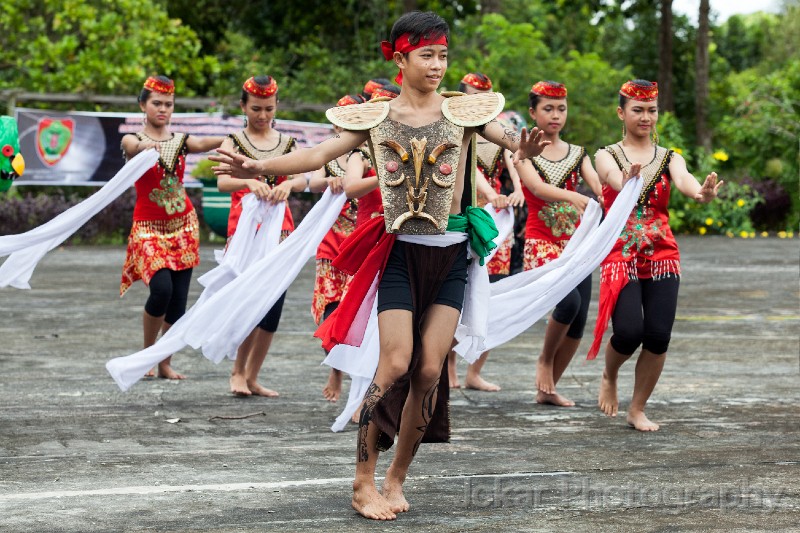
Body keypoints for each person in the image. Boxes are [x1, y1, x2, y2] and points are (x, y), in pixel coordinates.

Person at [210, 11, 548, 520]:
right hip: (400, 256)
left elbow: (512, 145)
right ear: (400, 57)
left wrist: (524, 150)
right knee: (394, 363)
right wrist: (258, 165)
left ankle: (396, 477)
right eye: (427, 55)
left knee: (430, 370)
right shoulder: (376, 116)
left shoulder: (466, 112)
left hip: (453, 257)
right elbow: (318, 153)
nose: (438, 65)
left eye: (443, 55)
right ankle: (362, 480)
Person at [590, 79, 722, 431]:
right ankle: (610, 373)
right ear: (621, 113)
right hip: (620, 253)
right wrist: (626, 180)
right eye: (638, 110)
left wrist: (701, 194)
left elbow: (684, 180)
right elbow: (611, 178)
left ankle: (637, 408)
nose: (646, 117)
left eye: (651, 110)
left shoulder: (668, 157)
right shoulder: (607, 154)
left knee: (659, 335)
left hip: (662, 254)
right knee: (630, 331)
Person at [216, 75, 324, 397]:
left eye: (268, 109)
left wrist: (290, 184)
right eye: (256, 109)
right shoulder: (234, 141)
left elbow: (308, 176)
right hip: (247, 231)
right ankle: (236, 371)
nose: (262, 116)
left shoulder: (287, 144)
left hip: (281, 230)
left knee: (273, 306)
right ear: (243, 106)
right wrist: (248, 183)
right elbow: (222, 183)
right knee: (250, 301)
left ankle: (252, 375)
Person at [120, 75, 223, 380]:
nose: (162, 109)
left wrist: (238, 137)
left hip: (183, 226)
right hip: (148, 228)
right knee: (161, 290)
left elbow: (204, 143)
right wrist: (148, 144)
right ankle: (146, 354)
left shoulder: (180, 140)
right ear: (143, 105)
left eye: (168, 104)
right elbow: (132, 145)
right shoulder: (133, 139)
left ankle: (165, 361)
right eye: (156, 103)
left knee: (177, 301)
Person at [517, 80, 604, 407]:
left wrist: (621, 189)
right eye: (548, 109)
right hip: (541, 243)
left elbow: (598, 187)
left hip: (577, 245)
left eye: (561, 109)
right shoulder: (523, 152)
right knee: (567, 304)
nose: (556, 115)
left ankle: (548, 389)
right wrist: (573, 195)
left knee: (579, 317)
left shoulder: (579, 154)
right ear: (533, 112)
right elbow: (537, 190)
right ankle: (543, 360)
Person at [446, 71, 525, 392]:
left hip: (494, 221)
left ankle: (475, 370)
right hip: (465, 216)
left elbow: (514, 162)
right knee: (455, 298)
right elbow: (472, 172)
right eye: (469, 97)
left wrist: (516, 191)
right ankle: (447, 366)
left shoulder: (497, 135)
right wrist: (491, 196)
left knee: (489, 297)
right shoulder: (453, 129)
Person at [315, 93, 367, 403]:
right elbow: (309, 180)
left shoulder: (366, 154)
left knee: (354, 310)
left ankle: (349, 371)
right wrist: (327, 183)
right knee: (332, 307)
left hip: (360, 244)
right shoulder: (330, 154)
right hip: (331, 243)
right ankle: (335, 369)